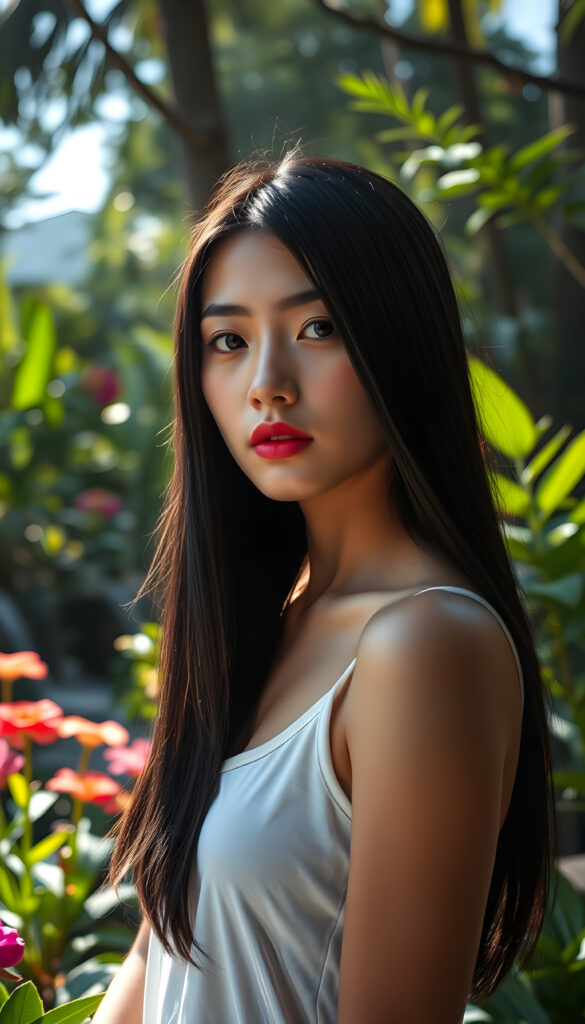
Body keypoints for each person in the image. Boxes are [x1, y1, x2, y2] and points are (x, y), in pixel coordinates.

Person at [94, 148, 556, 1024]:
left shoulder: (423, 644)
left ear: (400, 343)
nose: (266, 385)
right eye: (229, 341)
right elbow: (160, 960)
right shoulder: (260, 627)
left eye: (317, 328)